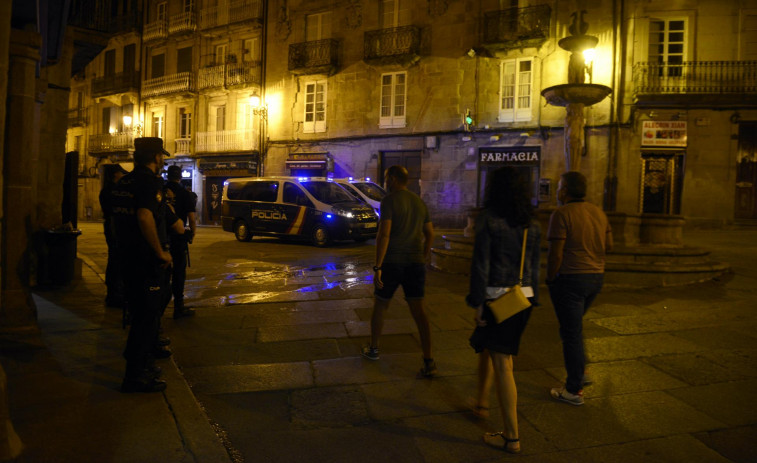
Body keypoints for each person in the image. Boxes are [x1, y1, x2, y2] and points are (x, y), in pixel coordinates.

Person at [466, 167, 540, 454]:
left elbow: (481, 265)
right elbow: (534, 266)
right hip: (523, 297)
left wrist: (478, 303)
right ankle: (496, 417)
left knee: (503, 365)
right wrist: (532, 298)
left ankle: (511, 437)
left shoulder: (489, 219)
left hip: (497, 297)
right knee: (504, 360)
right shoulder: (531, 223)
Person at [111, 137, 174, 393]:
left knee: (139, 316)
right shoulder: (149, 183)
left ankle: (142, 365)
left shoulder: (122, 183)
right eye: (162, 156)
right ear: (156, 157)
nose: (163, 161)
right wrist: (160, 252)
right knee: (146, 320)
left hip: (125, 257)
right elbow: (144, 215)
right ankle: (136, 375)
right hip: (145, 261)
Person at [361, 166, 437, 377]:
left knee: (381, 305)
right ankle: (429, 359)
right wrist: (424, 253)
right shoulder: (419, 202)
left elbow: (384, 235)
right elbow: (430, 233)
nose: (385, 183)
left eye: (386, 179)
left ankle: (374, 349)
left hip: (392, 262)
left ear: (392, 179)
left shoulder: (389, 201)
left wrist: (377, 267)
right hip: (415, 264)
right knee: (419, 312)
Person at [546, 171, 613, 405]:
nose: (556, 191)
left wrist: (550, 278)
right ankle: (581, 371)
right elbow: (610, 245)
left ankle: (574, 390)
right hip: (596, 278)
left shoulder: (561, 214)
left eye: (559, 187)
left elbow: (556, 253)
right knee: (573, 328)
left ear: (565, 191)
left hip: (571, 279)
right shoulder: (598, 212)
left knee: (571, 333)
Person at [164, 165, 197, 319]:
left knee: (161, 273)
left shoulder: (160, 191)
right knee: (178, 273)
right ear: (180, 177)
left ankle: (159, 308)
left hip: (161, 236)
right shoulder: (185, 194)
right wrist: (192, 234)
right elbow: (191, 218)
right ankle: (178, 307)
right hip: (178, 237)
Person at [99, 164, 129, 308]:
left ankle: (115, 292)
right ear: (114, 175)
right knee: (116, 260)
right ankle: (114, 294)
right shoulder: (111, 191)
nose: (122, 175)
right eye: (120, 173)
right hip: (114, 226)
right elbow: (112, 212)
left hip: (114, 226)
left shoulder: (108, 190)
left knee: (116, 259)